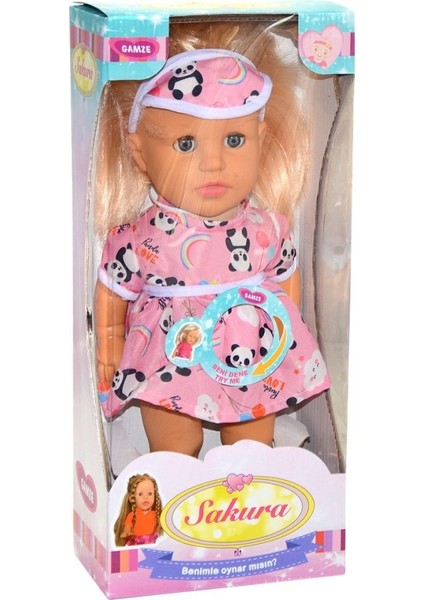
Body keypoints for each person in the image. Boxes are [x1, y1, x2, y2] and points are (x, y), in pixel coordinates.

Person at [94, 22, 330, 457]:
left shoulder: (266, 227)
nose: (214, 163)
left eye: (234, 140)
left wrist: (286, 329)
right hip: (170, 353)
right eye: (186, 144)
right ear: (139, 151)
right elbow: (113, 290)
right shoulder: (142, 235)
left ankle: (252, 481)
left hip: (250, 349)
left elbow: (285, 281)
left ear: (261, 139)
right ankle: (174, 478)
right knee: (174, 438)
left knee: (252, 436)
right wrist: (109, 341)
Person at [114, 474, 163, 547]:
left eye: (150, 494)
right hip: (136, 543)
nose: (146, 497)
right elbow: (128, 525)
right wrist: (126, 531)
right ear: (132, 498)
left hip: (151, 543)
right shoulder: (132, 515)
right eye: (140, 494)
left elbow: (160, 525)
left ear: (155, 496)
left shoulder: (155, 514)